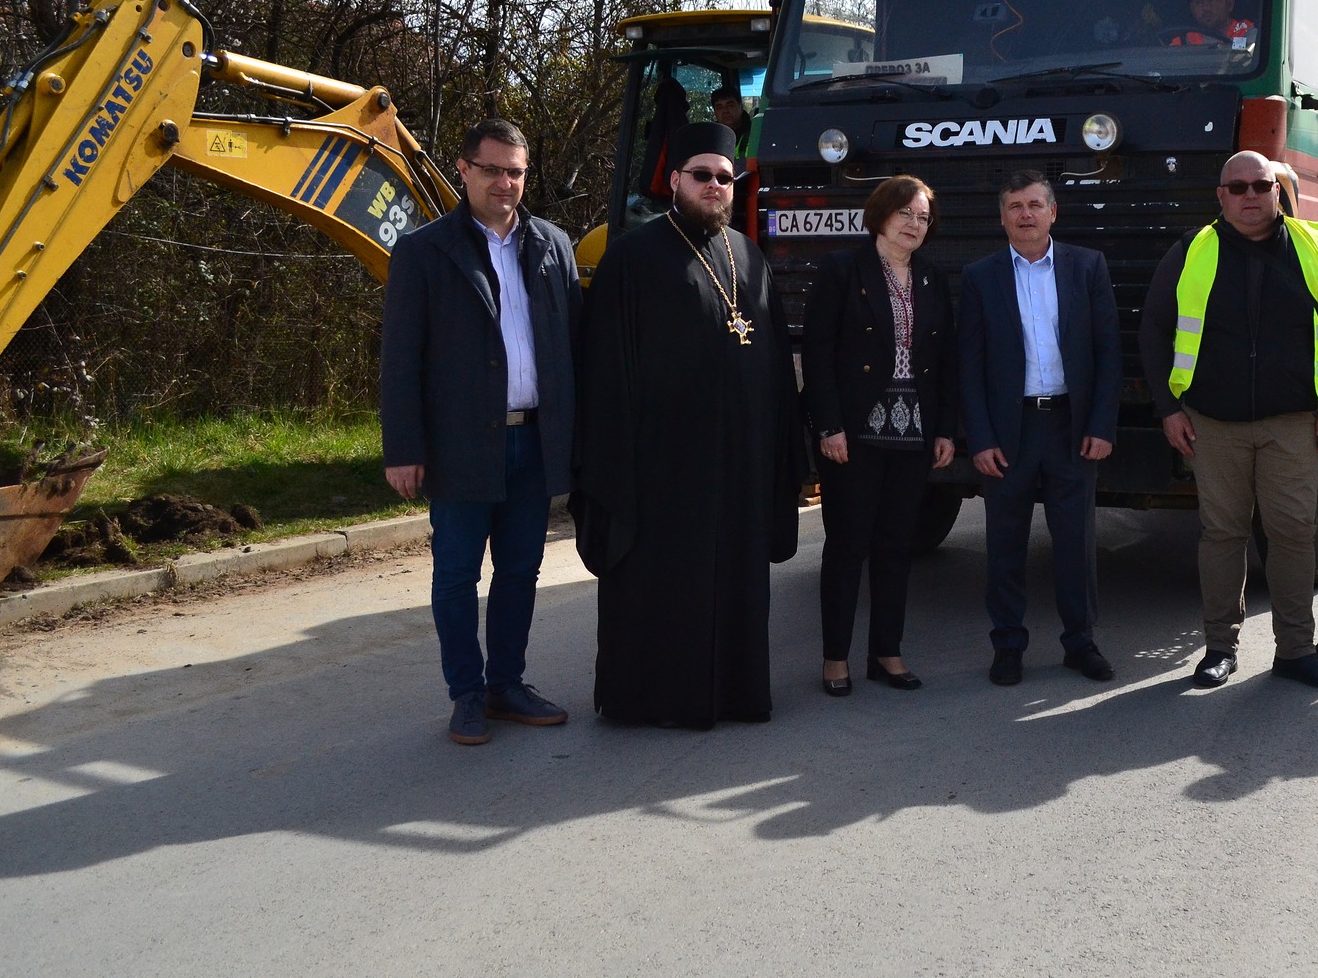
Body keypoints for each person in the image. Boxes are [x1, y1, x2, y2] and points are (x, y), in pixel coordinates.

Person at [571, 122, 803, 729]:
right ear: (674, 180)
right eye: (702, 175)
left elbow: (773, 360)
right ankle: (655, 699)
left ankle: (736, 693)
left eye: (725, 178)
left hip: (740, 466)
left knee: (735, 583)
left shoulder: (749, 256)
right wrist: (617, 461)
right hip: (662, 470)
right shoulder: (631, 257)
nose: (715, 187)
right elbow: (604, 371)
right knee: (666, 587)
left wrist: (782, 448)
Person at [380, 118, 582, 745]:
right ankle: (466, 694)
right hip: (461, 443)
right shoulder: (425, 251)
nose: (505, 183)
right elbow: (400, 358)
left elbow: (576, 346)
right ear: (463, 170)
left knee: (521, 570)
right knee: (456, 575)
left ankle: (507, 686)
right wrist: (404, 448)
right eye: (492, 169)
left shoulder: (553, 245)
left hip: (534, 441)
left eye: (515, 171)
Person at [1140, 151, 1318, 690]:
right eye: (1236, 188)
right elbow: (1154, 330)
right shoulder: (1191, 252)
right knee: (1223, 534)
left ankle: (1295, 651)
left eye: (1260, 186)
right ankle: (1220, 647)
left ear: (1276, 190)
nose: (1249, 197)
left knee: (1294, 533)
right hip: (1213, 422)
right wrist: (1168, 409)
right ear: (1220, 196)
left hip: (1295, 420)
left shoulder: (1314, 246)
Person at [959, 170, 1122, 686]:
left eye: (1035, 205)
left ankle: (1081, 642)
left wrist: (1101, 424)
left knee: (1075, 543)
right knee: (1005, 544)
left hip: (1071, 427)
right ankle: (1008, 646)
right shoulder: (980, 277)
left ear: (1054, 212)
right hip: (1010, 432)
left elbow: (1108, 352)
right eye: (1015, 206)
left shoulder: (1087, 267)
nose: (1025, 214)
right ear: (1002, 216)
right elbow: (970, 366)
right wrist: (980, 439)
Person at [802, 176, 959, 696]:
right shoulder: (843, 271)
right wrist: (829, 426)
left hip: (913, 435)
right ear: (881, 215)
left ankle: (887, 653)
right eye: (906, 213)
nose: (915, 224)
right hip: (854, 434)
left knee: (895, 547)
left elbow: (944, 364)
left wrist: (944, 431)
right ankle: (835, 659)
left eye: (923, 217)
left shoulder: (933, 278)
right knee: (848, 546)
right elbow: (819, 353)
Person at [1170, 0, 1254, 50]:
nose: (1206, 8)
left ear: (1229, 4)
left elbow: (1246, 56)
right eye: (1199, 2)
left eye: (1212, 0)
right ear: (1192, 9)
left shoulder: (1244, 32)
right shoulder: (1184, 41)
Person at [711, 85, 752, 155]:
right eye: (719, 107)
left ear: (741, 107)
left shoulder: (755, 133)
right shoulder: (710, 139)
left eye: (730, 105)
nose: (725, 111)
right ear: (715, 112)